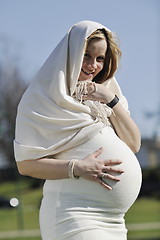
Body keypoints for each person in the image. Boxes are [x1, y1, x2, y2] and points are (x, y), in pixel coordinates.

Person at [14, 20, 142, 240]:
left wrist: (110, 99)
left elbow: (133, 145)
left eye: (100, 58)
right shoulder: (42, 100)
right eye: (86, 55)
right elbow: (25, 165)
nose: (93, 65)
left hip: (114, 220)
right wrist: (77, 167)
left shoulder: (106, 98)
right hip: (74, 214)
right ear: (71, 54)